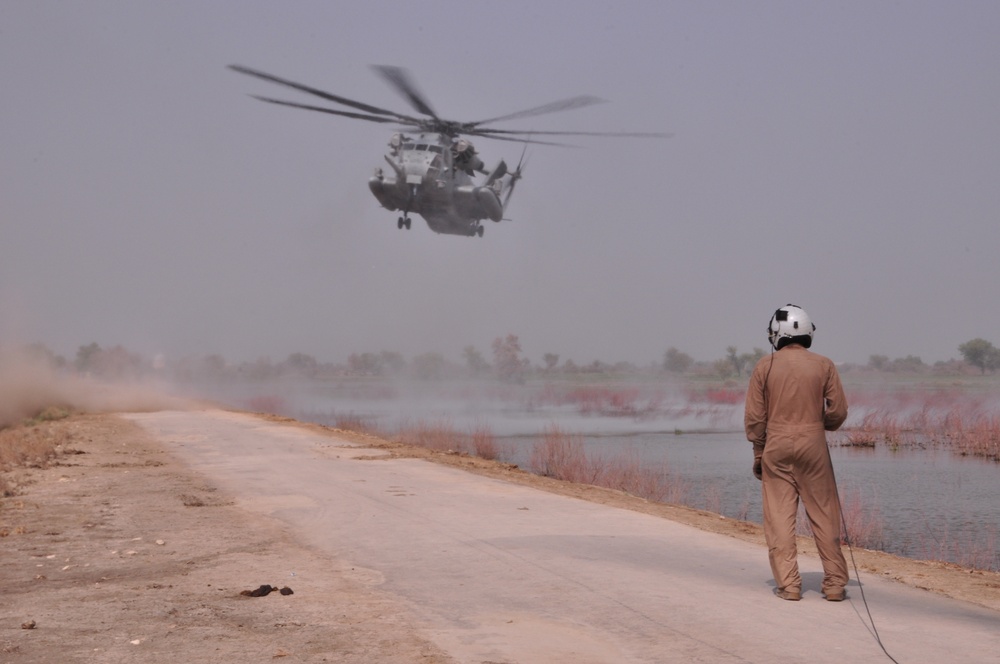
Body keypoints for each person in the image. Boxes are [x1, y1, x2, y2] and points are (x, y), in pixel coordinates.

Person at [744, 304, 849, 601]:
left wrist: (758, 453)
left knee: (779, 519)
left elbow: (755, 419)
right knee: (824, 514)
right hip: (814, 445)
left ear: (778, 334)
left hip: (776, 448)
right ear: (807, 332)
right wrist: (819, 425)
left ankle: (789, 586)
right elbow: (838, 411)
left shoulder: (765, 366)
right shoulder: (824, 364)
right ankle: (834, 585)